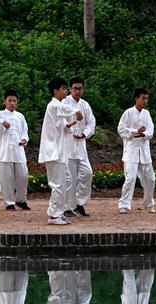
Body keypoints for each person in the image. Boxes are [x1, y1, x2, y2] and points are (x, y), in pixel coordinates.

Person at [38, 77, 84, 226]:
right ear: (55, 91)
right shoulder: (53, 105)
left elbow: (62, 128)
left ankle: (59, 211)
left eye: (66, 88)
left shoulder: (58, 107)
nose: (66, 91)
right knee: (58, 184)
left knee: (68, 181)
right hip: (53, 151)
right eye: (63, 89)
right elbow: (64, 110)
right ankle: (54, 215)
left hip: (59, 151)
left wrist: (69, 125)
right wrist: (76, 111)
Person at [0, 90, 31, 211]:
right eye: (9, 100)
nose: (12, 103)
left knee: (23, 176)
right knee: (7, 179)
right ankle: (9, 202)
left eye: (14, 101)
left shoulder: (20, 116)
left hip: (19, 150)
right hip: (5, 151)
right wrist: (1, 122)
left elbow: (25, 132)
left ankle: (21, 200)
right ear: (4, 101)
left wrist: (25, 139)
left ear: (17, 102)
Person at [117, 88, 156, 215]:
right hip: (131, 152)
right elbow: (121, 129)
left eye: (146, 98)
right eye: (143, 98)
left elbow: (151, 131)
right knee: (130, 178)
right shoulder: (128, 113)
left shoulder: (147, 114)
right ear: (136, 98)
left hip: (144, 152)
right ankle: (124, 205)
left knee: (151, 179)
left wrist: (143, 134)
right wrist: (135, 131)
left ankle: (148, 203)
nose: (145, 101)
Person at [63, 76, 95, 217]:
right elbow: (60, 122)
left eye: (80, 88)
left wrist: (84, 134)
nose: (77, 91)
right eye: (75, 88)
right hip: (68, 145)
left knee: (87, 173)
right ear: (71, 89)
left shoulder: (85, 105)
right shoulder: (64, 103)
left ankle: (79, 203)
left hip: (81, 146)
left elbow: (91, 124)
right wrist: (70, 130)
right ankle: (68, 207)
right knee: (70, 178)